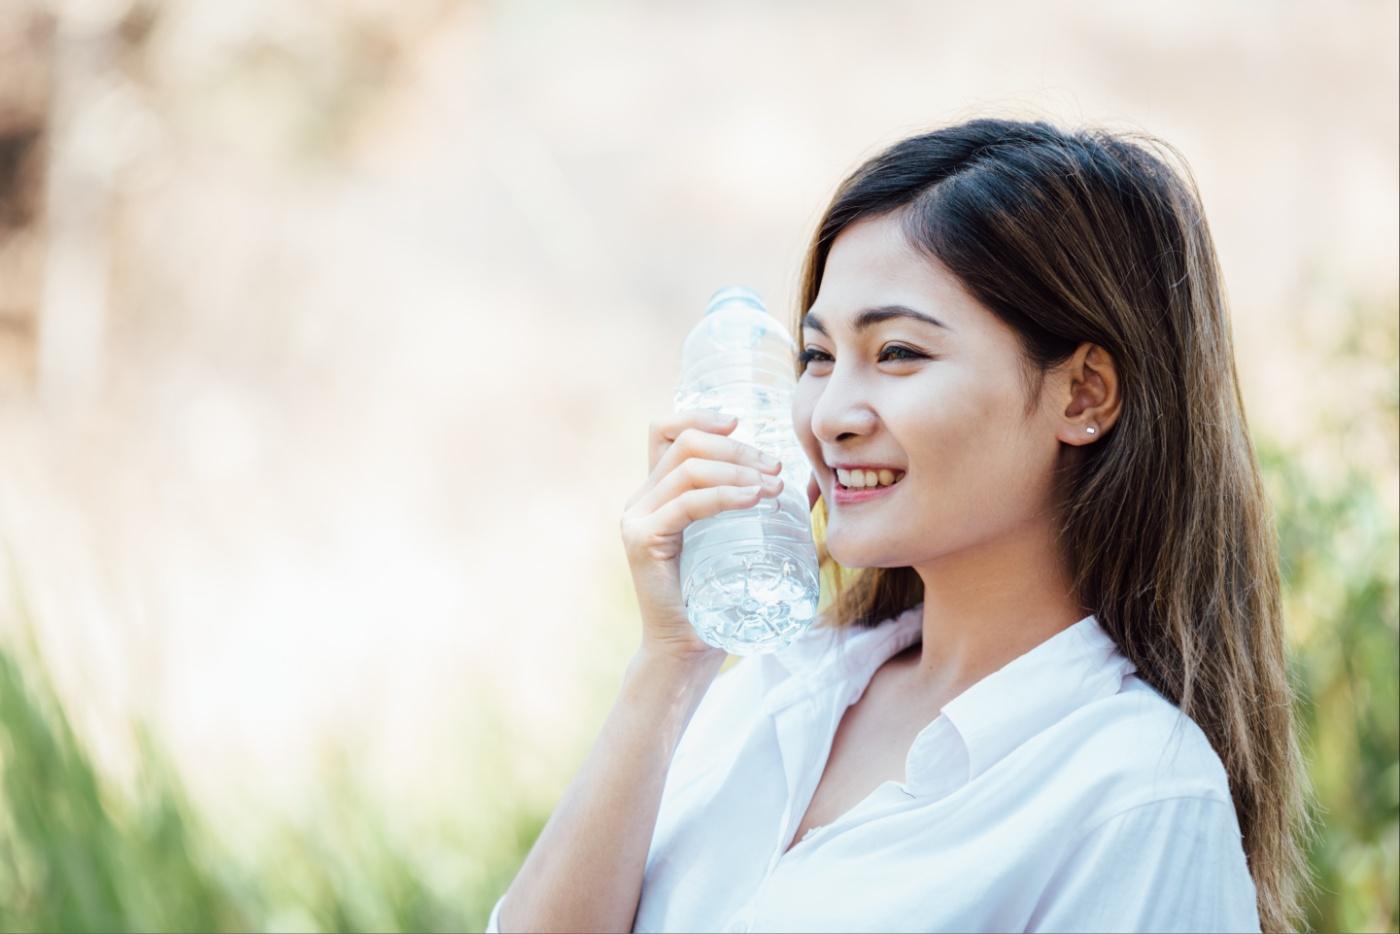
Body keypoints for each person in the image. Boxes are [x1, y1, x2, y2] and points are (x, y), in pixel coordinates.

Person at [485, 117, 1313, 933]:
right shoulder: (781, 689)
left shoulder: (1134, 796)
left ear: (1083, 393)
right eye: (817, 356)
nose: (830, 414)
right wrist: (673, 661)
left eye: (898, 354)